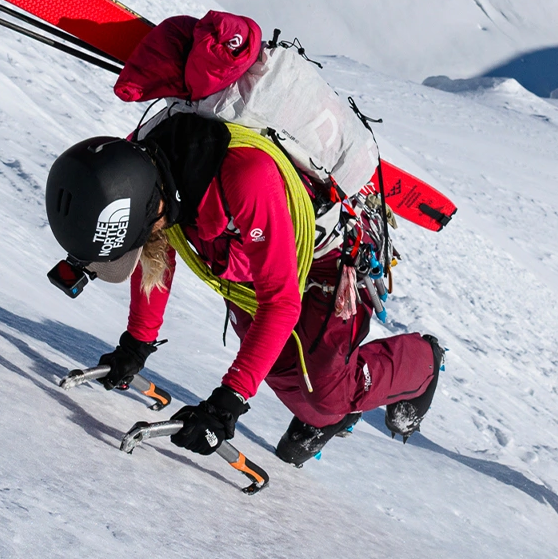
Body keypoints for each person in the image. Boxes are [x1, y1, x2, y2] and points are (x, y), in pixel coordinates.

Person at [44, 106, 442, 467]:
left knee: (323, 391)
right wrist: (137, 343)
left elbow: (281, 303)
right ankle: (326, 412)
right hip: (248, 264)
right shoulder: (140, 166)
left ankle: (421, 364)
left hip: (325, 262)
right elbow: (156, 248)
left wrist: (227, 402)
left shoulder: (245, 177)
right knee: (278, 368)